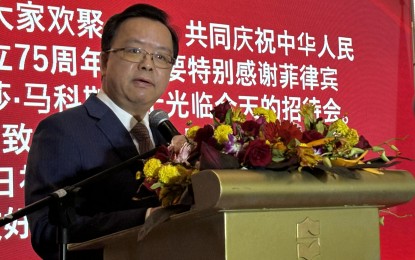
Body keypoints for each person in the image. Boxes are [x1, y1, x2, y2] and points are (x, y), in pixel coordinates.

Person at [24, 3, 179, 259]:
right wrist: (145, 218)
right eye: (134, 50)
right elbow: (48, 231)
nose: (148, 64)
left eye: (161, 56)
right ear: (104, 61)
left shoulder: (167, 135)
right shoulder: (62, 130)